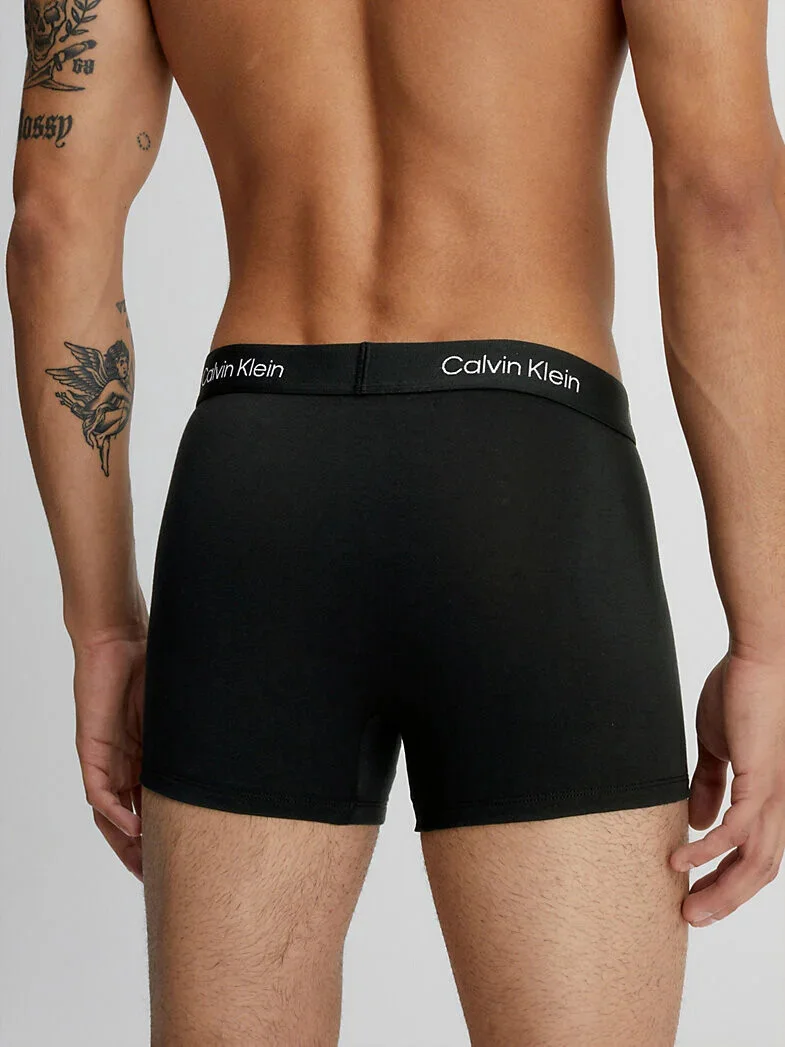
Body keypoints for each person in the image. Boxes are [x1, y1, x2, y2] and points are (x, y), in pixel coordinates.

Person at [7, 0, 785, 1043]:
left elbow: (52, 224)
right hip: (530, 477)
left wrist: (102, 625)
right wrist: (765, 639)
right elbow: (725, 193)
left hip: (257, 478)